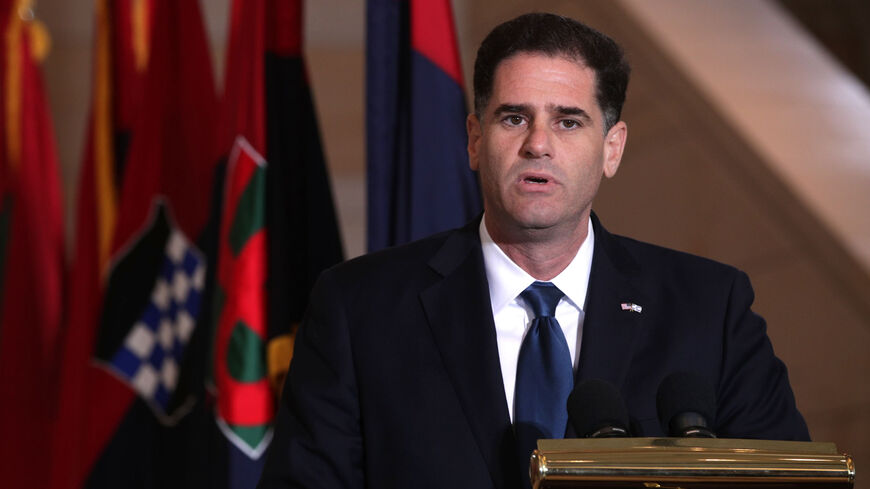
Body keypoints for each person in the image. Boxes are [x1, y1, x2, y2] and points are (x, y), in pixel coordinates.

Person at [257, 12, 809, 489]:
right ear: (475, 140)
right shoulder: (361, 308)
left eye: (568, 121)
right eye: (514, 117)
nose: (538, 143)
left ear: (611, 149)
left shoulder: (710, 309)